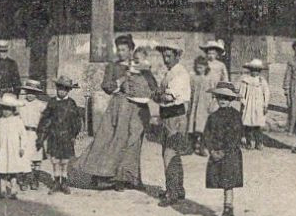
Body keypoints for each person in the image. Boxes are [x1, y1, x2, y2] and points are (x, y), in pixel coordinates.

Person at [76, 44, 158, 191]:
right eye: (118, 50)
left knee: (134, 143)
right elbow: (108, 86)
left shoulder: (145, 71)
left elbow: (153, 88)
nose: (121, 53)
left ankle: (132, 178)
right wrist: (121, 82)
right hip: (121, 108)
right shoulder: (118, 68)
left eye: (124, 50)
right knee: (116, 141)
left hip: (139, 110)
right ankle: (109, 177)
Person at [155, 43, 193, 206]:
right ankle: (177, 188)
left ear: (177, 56)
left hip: (175, 116)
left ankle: (172, 192)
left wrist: (156, 95)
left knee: (169, 155)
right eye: (164, 56)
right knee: (172, 154)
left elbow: (168, 97)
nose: (165, 59)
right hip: (168, 116)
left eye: (169, 56)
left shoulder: (180, 73)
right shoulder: (171, 72)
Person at [204, 81, 245, 216]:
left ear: (231, 100)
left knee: (228, 183)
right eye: (220, 97)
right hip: (216, 152)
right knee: (221, 180)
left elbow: (235, 136)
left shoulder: (235, 116)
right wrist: (212, 150)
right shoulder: (213, 116)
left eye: (226, 98)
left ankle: (228, 211)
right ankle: (227, 210)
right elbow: (207, 134)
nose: (222, 100)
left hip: (230, 154)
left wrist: (224, 151)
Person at [36, 75, 85, 194]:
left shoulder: (71, 103)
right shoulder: (52, 102)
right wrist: (42, 135)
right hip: (54, 135)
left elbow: (76, 120)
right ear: (57, 88)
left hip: (67, 136)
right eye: (60, 88)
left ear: (68, 90)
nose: (61, 91)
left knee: (65, 160)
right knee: (55, 160)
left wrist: (74, 133)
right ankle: (56, 181)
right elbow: (46, 119)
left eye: (64, 89)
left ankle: (64, 182)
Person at [0, 94, 28, 198]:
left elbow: (23, 135)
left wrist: (22, 147)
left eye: (8, 109)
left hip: (13, 150)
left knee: (13, 170)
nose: (6, 112)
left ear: (13, 110)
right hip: (2, 150)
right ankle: (2, 189)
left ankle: (13, 190)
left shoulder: (17, 121)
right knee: (2, 170)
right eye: (4, 109)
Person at [18, 78, 48, 191]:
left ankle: (35, 180)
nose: (30, 95)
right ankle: (24, 179)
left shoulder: (41, 105)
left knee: (36, 157)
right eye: (28, 92)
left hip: (36, 133)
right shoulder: (21, 103)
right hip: (24, 132)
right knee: (25, 157)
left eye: (33, 93)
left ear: (37, 93)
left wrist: (43, 132)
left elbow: (46, 119)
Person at [188, 53, 217, 156]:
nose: (199, 69)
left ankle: (202, 147)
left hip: (205, 106)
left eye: (201, 67)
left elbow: (214, 93)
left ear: (205, 67)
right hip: (195, 106)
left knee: (204, 127)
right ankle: (191, 146)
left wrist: (213, 104)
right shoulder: (193, 78)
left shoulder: (210, 78)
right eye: (197, 67)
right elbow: (190, 91)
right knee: (193, 126)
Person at [238, 57, 270, 150]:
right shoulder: (246, 80)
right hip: (248, 104)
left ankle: (259, 142)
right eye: (252, 70)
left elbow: (266, 92)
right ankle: (249, 142)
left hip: (258, 105)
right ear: (250, 70)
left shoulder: (261, 81)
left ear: (259, 71)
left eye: (256, 70)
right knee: (248, 124)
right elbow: (242, 93)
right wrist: (243, 102)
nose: (254, 72)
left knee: (258, 124)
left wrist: (265, 105)